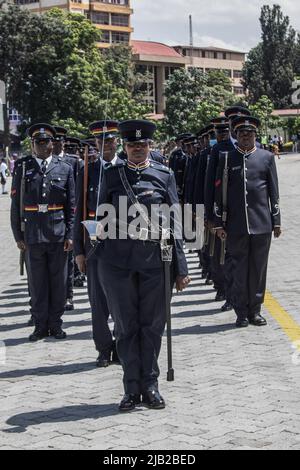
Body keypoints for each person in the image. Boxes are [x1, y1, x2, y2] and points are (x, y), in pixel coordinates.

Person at [97, 119, 190, 412]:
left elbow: (176, 222)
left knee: (151, 326)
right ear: (124, 147)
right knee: (126, 327)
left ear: (150, 146)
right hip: (118, 263)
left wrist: (182, 266)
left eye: (142, 145)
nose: (137, 149)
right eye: (132, 145)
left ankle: (150, 386)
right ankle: (130, 388)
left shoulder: (164, 175)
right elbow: (101, 217)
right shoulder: (111, 176)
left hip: (155, 262)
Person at [214, 116, 281, 328]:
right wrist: (218, 223)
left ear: (255, 135)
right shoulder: (227, 158)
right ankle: (241, 312)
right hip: (235, 225)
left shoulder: (266, 158)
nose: (245, 136)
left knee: (258, 269)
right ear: (236, 135)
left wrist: (276, 220)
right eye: (241, 133)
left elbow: (273, 191)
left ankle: (255, 310)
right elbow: (218, 193)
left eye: (249, 133)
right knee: (239, 270)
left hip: (262, 224)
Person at [10, 123, 75, 342]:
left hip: (57, 233)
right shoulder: (22, 167)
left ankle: (56, 324)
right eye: (38, 142)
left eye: (46, 142)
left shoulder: (65, 168)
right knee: (37, 284)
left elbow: (71, 206)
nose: (42, 146)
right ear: (32, 144)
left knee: (58, 283)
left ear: (52, 144)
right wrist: (18, 236)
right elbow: (15, 205)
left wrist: (70, 235)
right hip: (33, 234)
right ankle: (40, 325)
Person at [74, 120, 121, 368]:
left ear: (117, 142)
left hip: (123, 244)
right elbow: (78, 213)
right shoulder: (87, 171)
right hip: (94, 245)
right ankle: (103, 349)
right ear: (95, 143)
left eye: (110, 140)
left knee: (122, 300)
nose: (106, 145)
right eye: (101, 141)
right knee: (98, 302)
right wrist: (79, 252)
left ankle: (122, 346)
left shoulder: (125, 167)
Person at [53, 126, 84, 310]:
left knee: (68, 257)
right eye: (54, 141)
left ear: (63, 143)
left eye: (59, 141)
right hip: (54, 215)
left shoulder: (73, 162)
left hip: (71, 212)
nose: (57, 144)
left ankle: (68, 294)